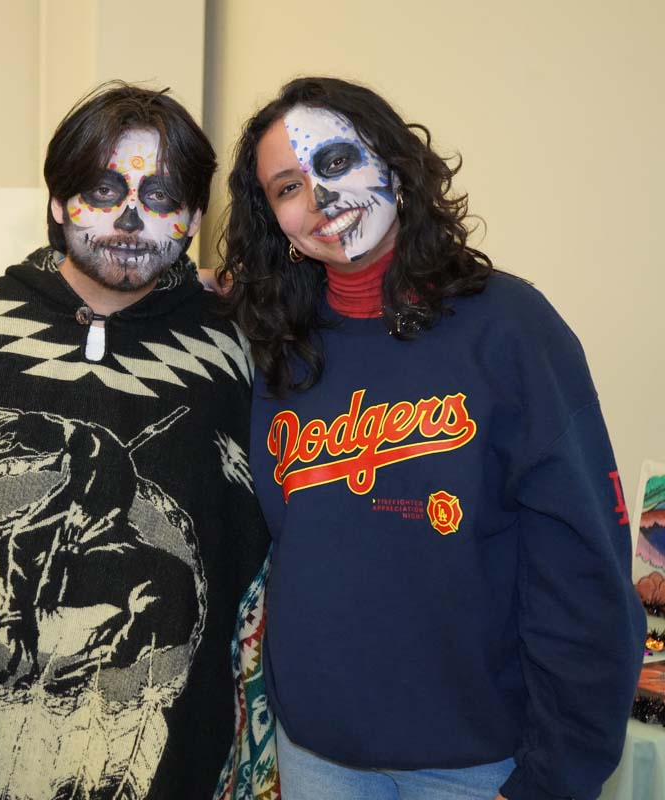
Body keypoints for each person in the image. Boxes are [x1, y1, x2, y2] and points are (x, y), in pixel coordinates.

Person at [219, 76, 645, 800]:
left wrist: (557, 773)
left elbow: (583, 565)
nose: (319, 197)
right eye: (288, 187)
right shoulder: (274, 343)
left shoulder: (511, 329)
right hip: (315, 751)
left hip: (477, 764)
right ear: (274, 219)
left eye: (335, 162)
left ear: (394, 163)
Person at [0, 84, 277, 800]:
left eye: (160, 195)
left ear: (193, 216)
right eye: (103, 190)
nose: (131, 218)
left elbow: (244, 554)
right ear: (60, 202)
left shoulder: (226, 348)